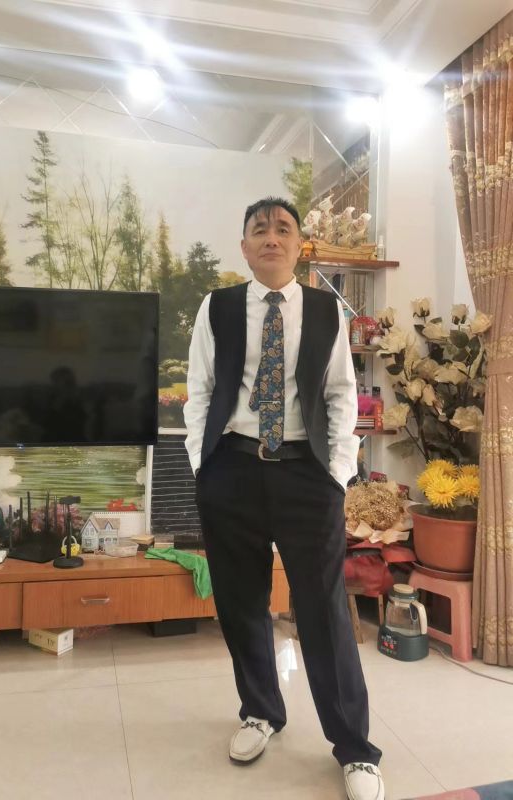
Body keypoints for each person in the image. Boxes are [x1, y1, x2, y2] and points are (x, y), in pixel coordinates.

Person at [183, 197, 384, 800]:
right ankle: (260, 712)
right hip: (232, 471)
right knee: (241, 602)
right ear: (244, 247)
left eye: (283, 229)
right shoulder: (217, 307)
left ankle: (354, 747)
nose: (271, 237)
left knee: (323, 609)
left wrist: (338, 473)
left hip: (306, 475)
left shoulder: (325, 310)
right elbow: (200, 390)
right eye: (259, 230)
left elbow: (342, 394)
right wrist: (202, 464)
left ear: (299, 246)